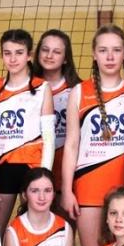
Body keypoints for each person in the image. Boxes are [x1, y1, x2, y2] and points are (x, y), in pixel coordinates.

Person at [61, 24, 124, 246]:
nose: (110, 56)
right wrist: (67, 190)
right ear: (94, 54)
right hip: (88, 189)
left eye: (116, 50)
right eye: (103, 50)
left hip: (123, 189)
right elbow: (71, 144)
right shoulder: (79, 93)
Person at [0, 29, 55, 233]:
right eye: (7, 53)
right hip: (3, 169)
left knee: (32, 230)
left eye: (19, 53)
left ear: (29, 55)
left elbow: (49, 138)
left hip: (32, 167)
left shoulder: (42, 87)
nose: (13, 59)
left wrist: (44, 175)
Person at [32, 29, 83, 194]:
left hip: (69, 168)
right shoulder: (27, 88)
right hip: (35, 167)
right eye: (45, 50)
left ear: (66, 58)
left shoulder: (78, 90)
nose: (49, 55)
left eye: (57, 52)